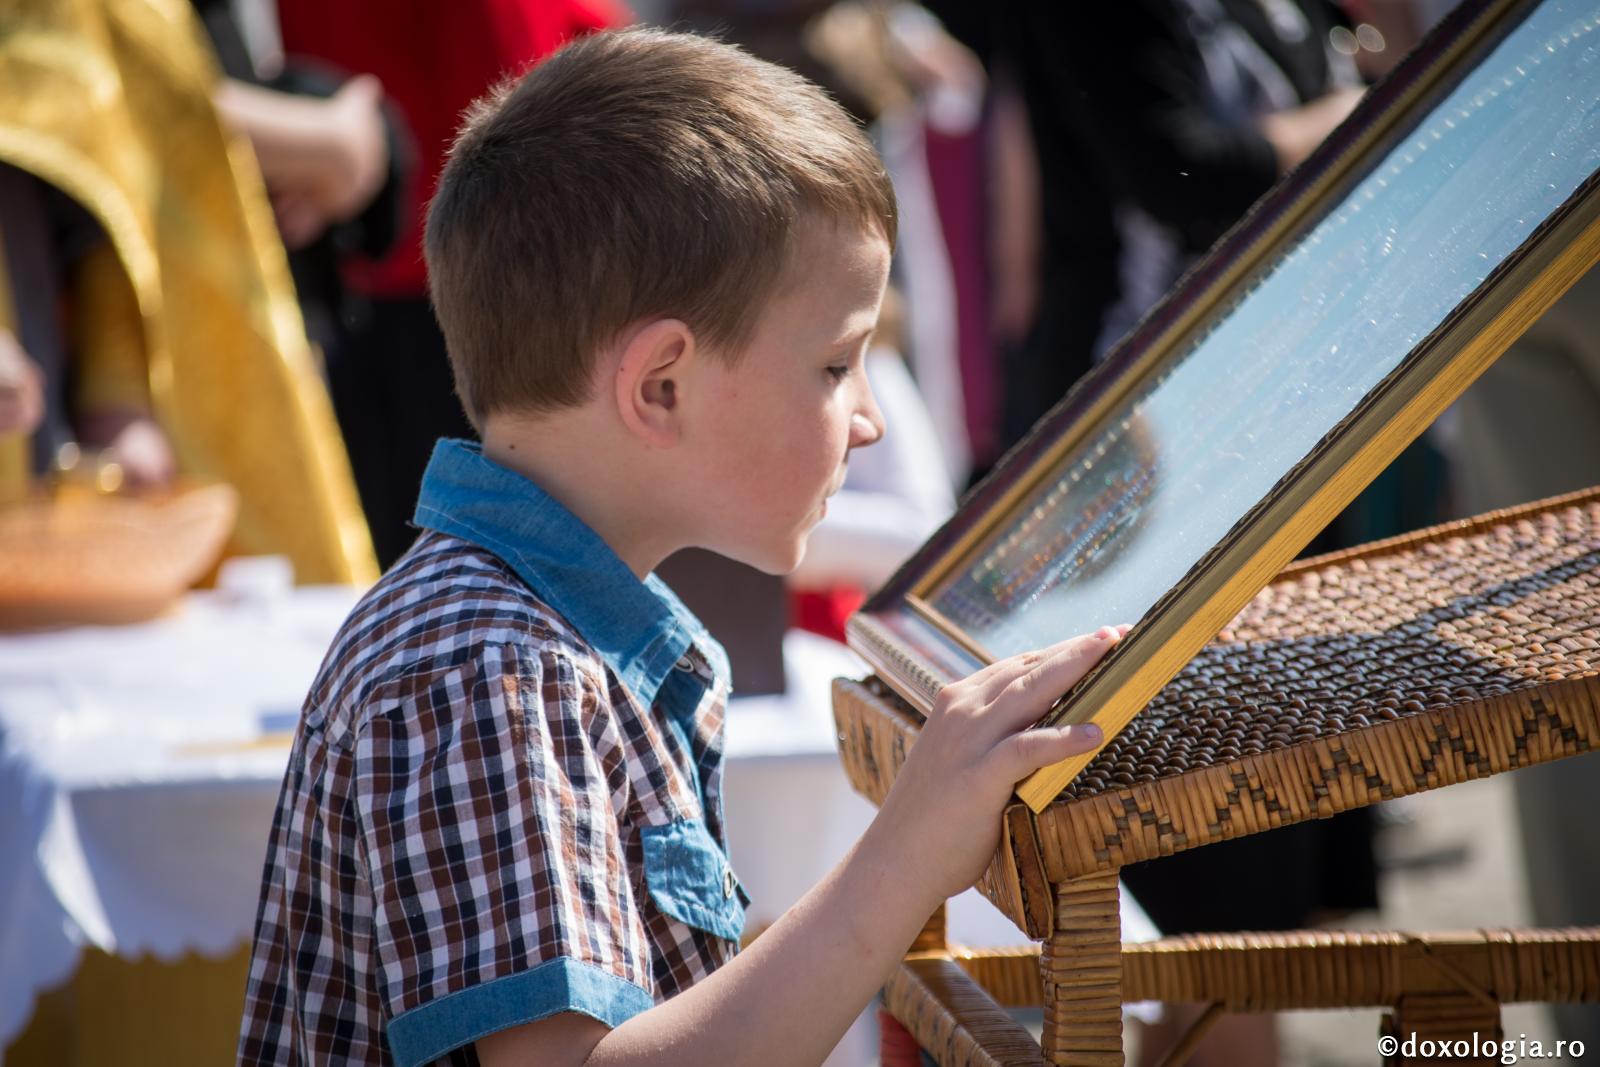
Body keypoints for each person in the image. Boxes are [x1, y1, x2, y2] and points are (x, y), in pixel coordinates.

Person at [238, 29, 1125, 1066]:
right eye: (838, 362)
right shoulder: (495, 669)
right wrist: (905, 849)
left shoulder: (543, 637)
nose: (870, 418)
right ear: (662, 385)